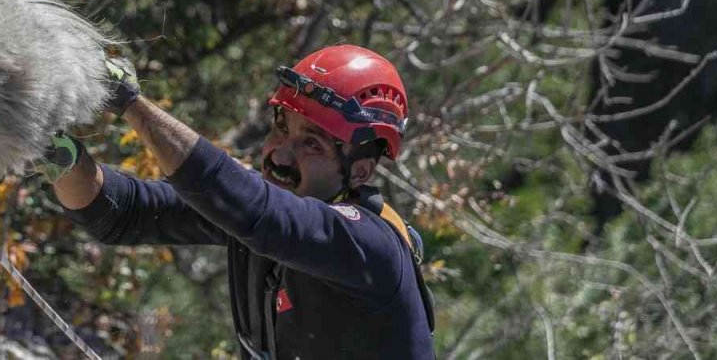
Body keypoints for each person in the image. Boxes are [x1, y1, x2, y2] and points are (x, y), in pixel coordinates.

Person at [43, 45, 436, 359]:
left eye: (311, 144)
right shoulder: (263, 211)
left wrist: (133, 105)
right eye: (281, 127)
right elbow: (119, 212)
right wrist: (59, 155)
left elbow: (258, 214)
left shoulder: (367, 246)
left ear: (360, 172)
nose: (279, 154)